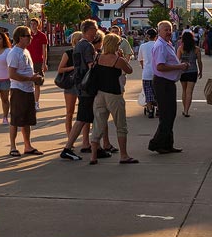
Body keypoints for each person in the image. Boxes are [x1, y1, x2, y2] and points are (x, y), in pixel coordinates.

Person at [88, 33, 138, 164]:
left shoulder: (98, 57)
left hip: (99, 94)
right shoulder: (117, 60)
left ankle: (93, 156)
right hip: (114, 94)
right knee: (121, 125)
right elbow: (130, 70)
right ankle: (124, 155)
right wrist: (120, 57)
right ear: (115, 45)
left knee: (98, 123)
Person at [59, 19, 99, 161]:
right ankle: (68, 147)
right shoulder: (87, 46)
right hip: (87, 86)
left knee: (86, 117)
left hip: (80, 85)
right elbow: (91, 66)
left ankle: (94, 146)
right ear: (88, 30)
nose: (96, 32)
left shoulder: (78, 46)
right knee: (83, 118)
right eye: (94, 29)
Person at [149, 21, 188, 154]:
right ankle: (157, 143)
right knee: (166, 115)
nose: (168, 32)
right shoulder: (160, 46)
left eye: (170, 29)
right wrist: (179, 67)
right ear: (159, 31)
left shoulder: (167, 44)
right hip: (162, 83)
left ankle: (167, 144)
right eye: (165, 30)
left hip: (167, 83)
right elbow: (160, 66)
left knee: (170, 115)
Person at [6, 26, 44, 157]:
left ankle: (27, 146)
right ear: (20, 37)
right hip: (18, 89)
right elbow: (12, 74)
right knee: (16, 119)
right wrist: (30, 78)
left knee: (27, 120)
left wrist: (34, 77)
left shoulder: (25, 52)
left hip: (28, 89)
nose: (30, 37)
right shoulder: (14, 53)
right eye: (28, 35)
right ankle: (13, 146)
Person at [56, 31, 83, 136]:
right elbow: (60, 69)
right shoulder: (68, 53)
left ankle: (82, 136)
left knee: (83, 112)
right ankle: (69, 135)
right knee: (70, 112)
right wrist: (73, 68)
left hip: (82, 83)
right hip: (71, 84)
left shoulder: (85, 53)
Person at [178, 30, 202, 117]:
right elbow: (199, 61)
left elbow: (178, 60)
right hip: (193, 71)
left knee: (184, 91)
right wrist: (201, 71)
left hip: (183, 71)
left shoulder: (180, 48)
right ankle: (186, 110)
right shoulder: (196, 49)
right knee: (189, 92)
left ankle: (184, 108)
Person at [27, 18, 49, 110]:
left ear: (38, 25)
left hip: (38, 62)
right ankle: (30, 102)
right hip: (28, 62)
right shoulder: (27, 35)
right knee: (28, 84)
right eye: (31, 24)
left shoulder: (42, 36)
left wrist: (44, 63)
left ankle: (36, 102)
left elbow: (44, 50)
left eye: (34, 24)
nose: (33, 25)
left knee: (37, 83)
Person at [138, 28, 158, 118]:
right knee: (157, 92)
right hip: (157, 72)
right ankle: (158, 109)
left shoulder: (143, 46)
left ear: (148, 36)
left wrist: (144, 67)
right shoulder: (158, 45)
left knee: (148, 92)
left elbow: (140, 60)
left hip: (147, 72)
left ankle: (150, 110)